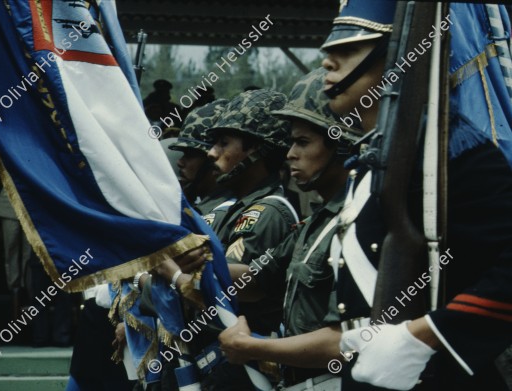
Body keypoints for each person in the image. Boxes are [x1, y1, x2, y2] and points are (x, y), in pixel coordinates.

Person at [318, 1, 512, 389]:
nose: (327, 63)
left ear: (395, 57)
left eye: (347, 50)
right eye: (329, 51)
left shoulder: (457, 153)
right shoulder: (369, 162)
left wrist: (427, 334)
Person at [216, 67, 363, 390]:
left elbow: (348, 341)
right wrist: (192, 263)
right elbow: (257, 278)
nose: (290, 154)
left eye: (302, 142)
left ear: (340, 144)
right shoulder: (315, 223)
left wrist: (254, 347)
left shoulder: (358, 220)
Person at [154, 89, 300, 390]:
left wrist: (181, 270)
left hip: (243, 368)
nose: (211, 153)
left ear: (256, 150)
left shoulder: (268, 211)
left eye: (224, 143)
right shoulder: (232, 208)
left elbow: (241, 284)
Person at [168, 99, 229, 211]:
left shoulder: (223, 211)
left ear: (213, 158)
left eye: (190, 154)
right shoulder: (197, 203)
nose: (179, 162)